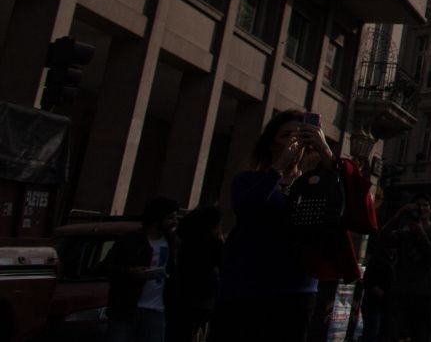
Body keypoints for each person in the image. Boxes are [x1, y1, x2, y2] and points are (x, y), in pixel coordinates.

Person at [213, 109, 337, 342]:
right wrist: (278, 168)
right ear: (270, 143)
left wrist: (326, 152)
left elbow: (342, 204)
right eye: (287, 135)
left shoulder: (314, 184)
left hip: (296, 291)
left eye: (301, 135)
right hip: (247, 289)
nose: (295, 141)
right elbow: (247, 207)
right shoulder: (248, 180)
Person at [108, 196, 178, 342]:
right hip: (126, 309)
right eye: (170, 218)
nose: (174, 222)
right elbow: (107, 267)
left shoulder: (173, 243)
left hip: (157, 310)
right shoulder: (130, 240)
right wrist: (130, 272)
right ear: (157, 219)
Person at [386, 197, 431, 342]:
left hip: (425, 292)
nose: (421, 209)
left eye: (425, 205)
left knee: (421, 334)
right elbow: (383, 240)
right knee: (395, 333)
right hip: (402, 288)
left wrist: (420, 233)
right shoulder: (403, 230)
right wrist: (397, 216)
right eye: (417, 205)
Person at [167, 204, 223, 342]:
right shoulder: (213, 242)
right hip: (202, 300)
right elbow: (224, 265)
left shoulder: (182, 239)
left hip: (179, 296)